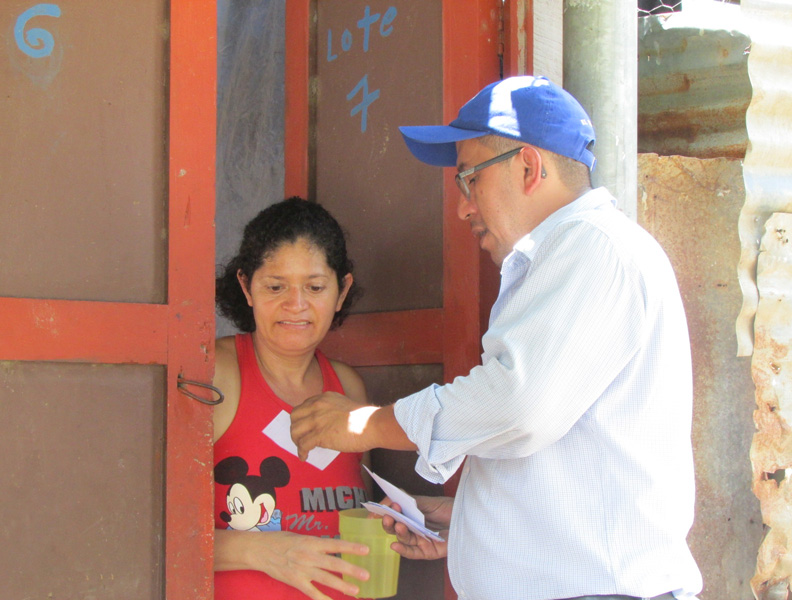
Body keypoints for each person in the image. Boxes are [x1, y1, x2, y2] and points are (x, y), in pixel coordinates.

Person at [290, 76, 703, 600]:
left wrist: (367, 424)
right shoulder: (574, 255)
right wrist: (470, 524)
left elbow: (518, 404)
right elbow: (574, 459)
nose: (463, 207)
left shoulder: (592, 248)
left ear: (529, 167)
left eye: (469, 180)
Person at [213, 197, 374, 600]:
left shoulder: (349, 388)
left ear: (342, 291)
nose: (296, 305)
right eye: (275, 286)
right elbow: (152, 530)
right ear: (246, 286)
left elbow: (363, 517)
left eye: (315, 287)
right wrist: (265, 551)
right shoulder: (216, 374)